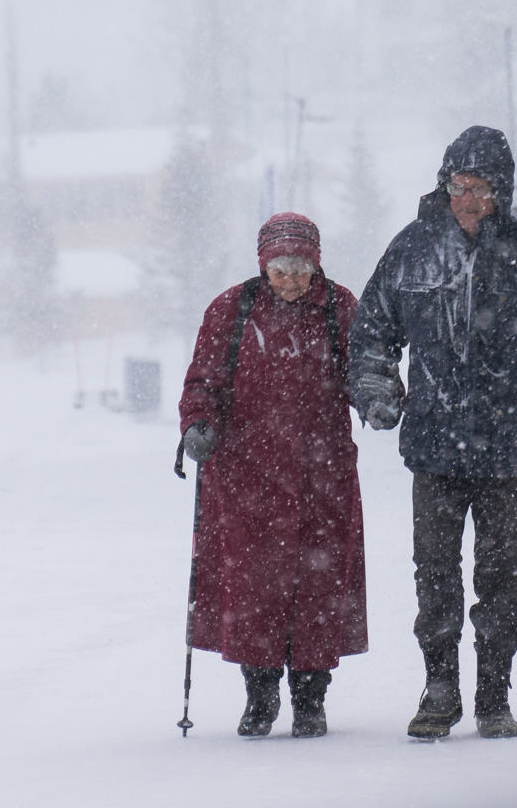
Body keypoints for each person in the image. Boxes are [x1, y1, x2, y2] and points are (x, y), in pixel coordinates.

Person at [348, 126, 517, 740]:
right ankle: (438, 685)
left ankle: (493, 690)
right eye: (458, 186)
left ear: (502, 192)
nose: (467, 198)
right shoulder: (411, 251)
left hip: (511, 451)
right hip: (434, 449)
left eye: (480, 188)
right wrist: (377, 388)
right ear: (445, 185)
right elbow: (372, 330)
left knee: (503, 576)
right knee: (433, 573)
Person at [177, 212, 365, 739]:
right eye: (281, 268)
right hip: (247, 478)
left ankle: (311, 699)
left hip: (322, 476)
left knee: (319, 586)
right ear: (263, 264)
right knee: (254, 588)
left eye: (302, 268)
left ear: (317, 264)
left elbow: (364, 371)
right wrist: (197, 424)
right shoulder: (232, 310)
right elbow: (203, 381)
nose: (292, 279)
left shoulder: (339, 308)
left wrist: (378, 396)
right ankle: (259, 696)